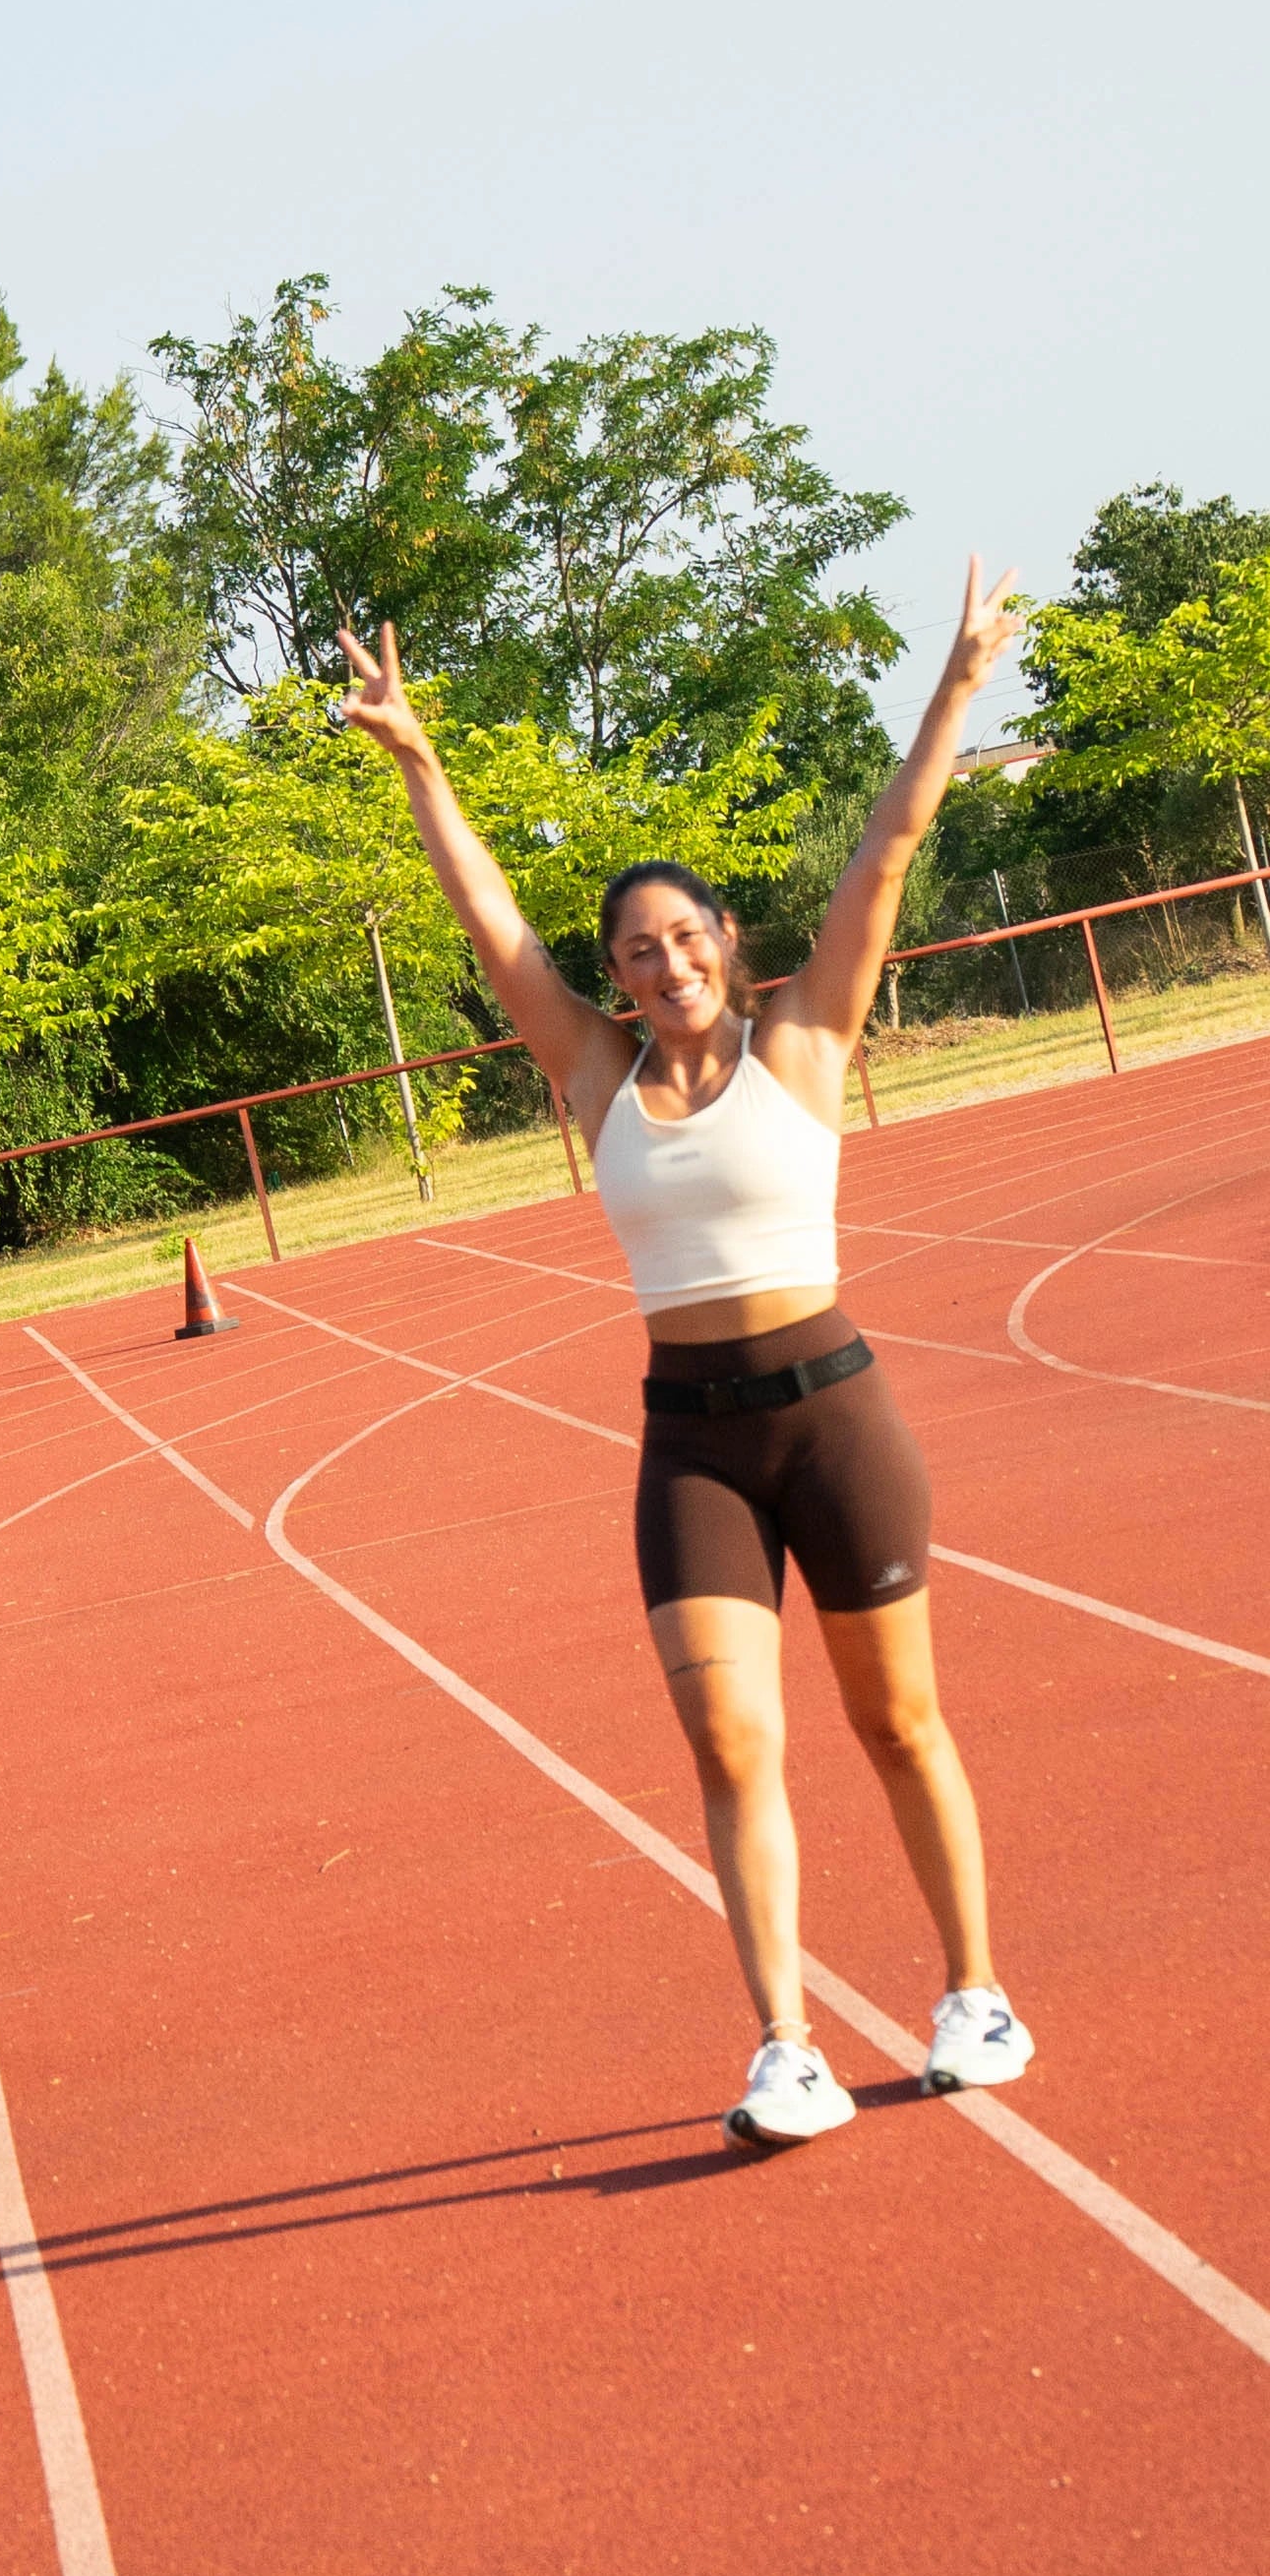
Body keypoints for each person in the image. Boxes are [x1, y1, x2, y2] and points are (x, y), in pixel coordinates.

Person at [336, 564, 1035, 2149]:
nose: (660, 968)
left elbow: (893, 845)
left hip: (838, 1421)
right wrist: (422, 767)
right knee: (730, 1741)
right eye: (633, 955)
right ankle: (783, 2042)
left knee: (898, 1724)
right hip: (694, 1447)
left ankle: (973, 1991)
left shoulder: (805, 1043)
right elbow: (491, 920)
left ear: (727, 939)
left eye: (680, 939)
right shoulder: (589, 1073)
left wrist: (954, 691)